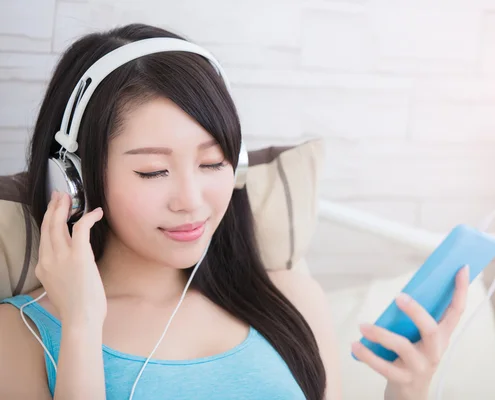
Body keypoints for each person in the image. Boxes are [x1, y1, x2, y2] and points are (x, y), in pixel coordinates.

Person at [0, 23, 469, 400]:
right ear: (74, 180)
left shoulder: (289, 297)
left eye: (212, 163)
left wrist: (409, 391)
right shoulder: (21, 334)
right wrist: (82, 325)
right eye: (152, 171)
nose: (192, 199)